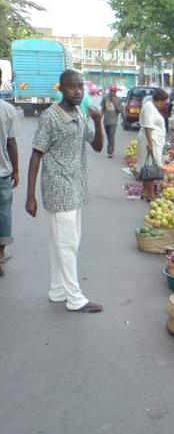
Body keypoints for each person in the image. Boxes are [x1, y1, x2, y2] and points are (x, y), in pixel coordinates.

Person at [25, 69, 104, 312]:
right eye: (72, 87)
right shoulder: (50, 117)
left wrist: (99, 121)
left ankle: (58, 290)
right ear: (61, 88)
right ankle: (75, 298)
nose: (78, 91)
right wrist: (30, 196)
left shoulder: (81, 113)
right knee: (68, 244)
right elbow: (36, 154)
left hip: (76, 187)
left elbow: (98, 146)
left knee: (62, 242)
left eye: (81, 86)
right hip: (59, 188)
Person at [0, 68, 19, 272]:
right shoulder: (7, 109)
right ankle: (0, 254)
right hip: (2, 173)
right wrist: (16, 170)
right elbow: (11, 144)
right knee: (3, 213)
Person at [137, 88, 169, 202]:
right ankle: (151, 194)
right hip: (150, 141)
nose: (165, 105)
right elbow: (148, 127)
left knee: (148, 167)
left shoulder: (150, 107)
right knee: (151, 168)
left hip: (152, 140)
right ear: (160, 100)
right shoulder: (149, 107)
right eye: (165, 102)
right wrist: (150, 144)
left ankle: (145, 191)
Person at [101, 84, 123, 158]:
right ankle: (111, 147)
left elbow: (120, 111)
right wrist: (99, 118)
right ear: (109, 91)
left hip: (114, 121)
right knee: (108, 136)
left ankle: (110, 152)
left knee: (111, 135)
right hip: (106, 121)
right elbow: (102, 109)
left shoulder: (118, 99)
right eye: (111, 91)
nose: (112, 92)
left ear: (116, 92)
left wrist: (115, 103)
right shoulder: (105, 98)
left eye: (114, 91)